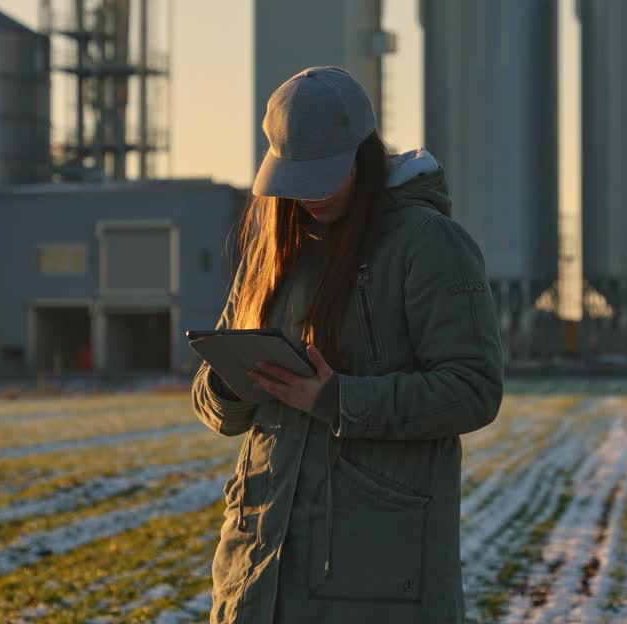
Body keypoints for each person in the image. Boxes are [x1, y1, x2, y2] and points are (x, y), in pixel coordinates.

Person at [191, 66, 504, 624]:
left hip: (375, 576)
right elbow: (215, 407)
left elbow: (474, 388)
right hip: (257, 572)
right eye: (295, 176)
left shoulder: (427, 243)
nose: (307, 194)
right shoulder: (274, 250)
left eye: (323, 175)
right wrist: (227, 377)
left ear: (363, 157)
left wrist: (336, 399)